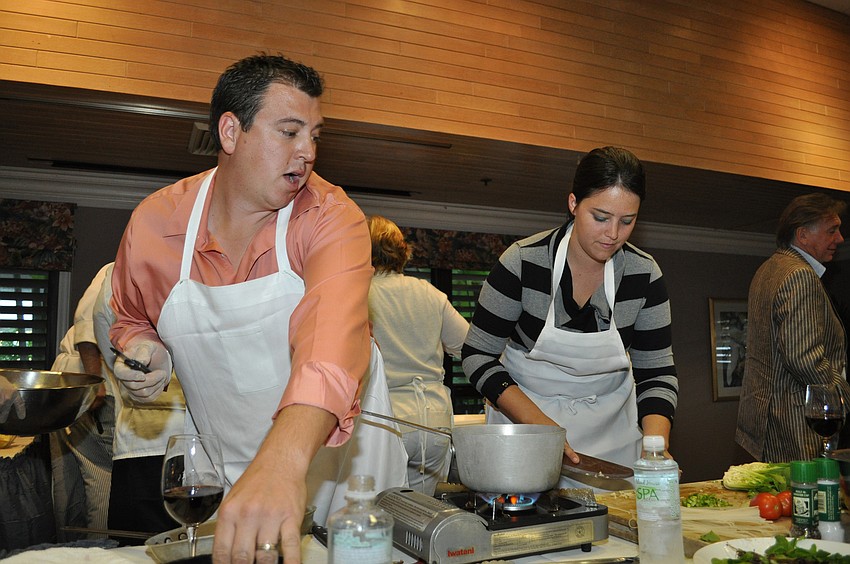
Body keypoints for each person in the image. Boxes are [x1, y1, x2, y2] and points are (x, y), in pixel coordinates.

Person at [108, 53, 406, 563]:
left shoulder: (332, 218)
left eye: (315, 134)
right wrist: (144, 349)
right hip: (233, 467)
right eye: (289, 132)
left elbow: (330, 346)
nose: (308, 152)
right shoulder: (155, 224)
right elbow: (132, 320)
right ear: (230, 131)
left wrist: (283, 462)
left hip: (346, 468)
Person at [461, 146, 679, 480]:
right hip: (527, 433)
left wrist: (655, 446)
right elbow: (477, 355)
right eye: (601, 217)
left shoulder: (644, 274)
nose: (613, 234)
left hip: (613, 440)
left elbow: (656, 373)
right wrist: (543, 429)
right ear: (574, 204)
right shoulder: (523, 263)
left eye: (627, 221)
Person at [736, 193, 850, 462]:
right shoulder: (799, 275)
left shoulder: (767, 270)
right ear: (803, 235)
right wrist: (841, 395)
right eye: (832, 230)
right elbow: (803, 356)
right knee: (809, 500)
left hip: (768, 420)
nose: (840, 239)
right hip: (799, 422)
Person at [366, 215, 469, 495]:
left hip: (386, 419)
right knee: (419, 519)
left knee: (381, 514)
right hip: (434, 421)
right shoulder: (430, 293)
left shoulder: (360, 294)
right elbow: (469, 349)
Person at [91, 262, 185, 544]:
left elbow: (115, 361)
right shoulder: (115, 275)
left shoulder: (113, 274)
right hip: (147, 447)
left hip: (146, 445)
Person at [49, 263, 115, 539]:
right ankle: (95, 550)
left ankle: (67, 548)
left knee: (69, 483)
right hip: (90, 381)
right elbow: (87, 320)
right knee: (103, 481)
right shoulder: (121, 267)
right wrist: (93, 382)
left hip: (71, 382)